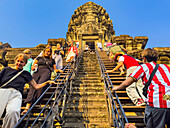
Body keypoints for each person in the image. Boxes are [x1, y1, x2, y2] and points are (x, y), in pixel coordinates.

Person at [112, 48, 170, 128]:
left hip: (157, 102)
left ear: (144, 59)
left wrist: (118, 88)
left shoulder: (144, 67)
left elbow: (127, 83)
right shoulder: (166, 67)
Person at [0, 53, 55, 128]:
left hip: (16, 94)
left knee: (14, 112)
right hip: (3, 91)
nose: (19, 63)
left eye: (22, 62)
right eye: (18, 61)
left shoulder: (26, 74)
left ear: (25, 63)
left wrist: (47, 82)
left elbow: (35, 86)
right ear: (15, 61)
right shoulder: (6, 70)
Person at [22, 47, 63, 114]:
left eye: (49, 51)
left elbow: (54, 69)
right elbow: (33, 65)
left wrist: (59, 70)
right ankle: (27, 106)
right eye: (46, 51)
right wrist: (33, 67)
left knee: (41, 85)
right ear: (44, 52)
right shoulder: (39, 58)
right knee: (32, 86)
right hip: (37, 71)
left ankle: (34, 103)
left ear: (50, 53)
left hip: (47, 71)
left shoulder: (52, 60)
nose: (47, 52)